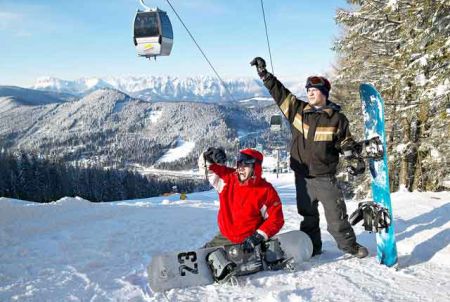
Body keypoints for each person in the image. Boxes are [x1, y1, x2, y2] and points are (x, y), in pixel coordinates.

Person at [250, 57, 368, 258]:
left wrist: (352, 157)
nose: (310, 93)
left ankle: (349, 246)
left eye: (314, 90)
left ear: (324, 93)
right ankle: (313, 246)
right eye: (308, 90)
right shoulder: (298, 111)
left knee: (336, 217)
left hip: (324, 177)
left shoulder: (337, 119)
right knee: (308, 216)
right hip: (302, 177)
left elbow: (345, 143)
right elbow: (280, 93)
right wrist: (264, 74)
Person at [198, 147, 284, 253]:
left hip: (249, 241)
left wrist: (258, 236)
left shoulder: (266, 191)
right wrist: (209, 156)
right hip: (225, 237)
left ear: (255, 168)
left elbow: (276, 219)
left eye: (246, 165)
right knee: (203, 255)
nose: (241, 168)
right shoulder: (227, 179)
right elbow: (207, 169)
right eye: (239, 164)